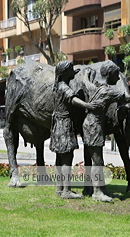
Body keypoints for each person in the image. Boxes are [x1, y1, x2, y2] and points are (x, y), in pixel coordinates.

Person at [82, 61, 130, 202]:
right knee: (97, 160)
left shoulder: (95, 88)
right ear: (110, 75)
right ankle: (97, 191)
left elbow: (86, 84)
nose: (118, 79)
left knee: (95, 159)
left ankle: (96, 188)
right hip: (95, 126)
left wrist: (86, 76)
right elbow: (126, 98)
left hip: (88, 124)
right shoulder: (108, 91)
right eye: (116, 76)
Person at [49, 61, 98, 199]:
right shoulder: (64, 87)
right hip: (64, 124)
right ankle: (66, 191)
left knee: (59, 156)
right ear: (65, 73)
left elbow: (70, 79)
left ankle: (59, 189)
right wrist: (89, 105)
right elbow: (74, 100)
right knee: (67, 157)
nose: (73, 72)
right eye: (71, 70)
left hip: (57, 123)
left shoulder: (57, 86)